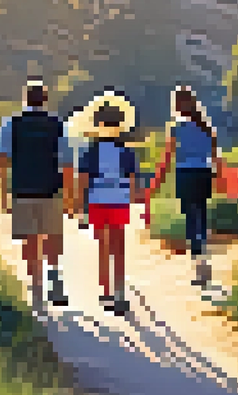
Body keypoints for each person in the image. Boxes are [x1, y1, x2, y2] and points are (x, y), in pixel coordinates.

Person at [0, 78, 72, 311]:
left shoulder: (11, 124)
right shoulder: (58, 125)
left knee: (29, 238)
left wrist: (3, 193)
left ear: (25, 99)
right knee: (52, 234)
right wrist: (68, 196)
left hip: (22, 187)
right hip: (50, 187)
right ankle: (54, 275)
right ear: (45, 100)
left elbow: (2, 160)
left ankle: (36, 285)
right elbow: (67, 162)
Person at [146, 85, 225, 289]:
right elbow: (216, 158)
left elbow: (167, 159)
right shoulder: (206, 127)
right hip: (204, 174)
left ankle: (200, 265)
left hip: (185, 174)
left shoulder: (175, 128)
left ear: (177, 105)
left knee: (191, 219)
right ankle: (204, 259)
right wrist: (220, 179)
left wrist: (156, 182)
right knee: (202, 216)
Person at [74, 89, 142, 315]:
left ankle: (105, 292)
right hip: (119, 200)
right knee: (118, 246)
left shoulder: (90, 152)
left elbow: (83, 180)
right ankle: (120, 291)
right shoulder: (127, 152)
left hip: (97, 200)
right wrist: (132, 200)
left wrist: (78, 206)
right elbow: (133, 181)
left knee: (103, 246)